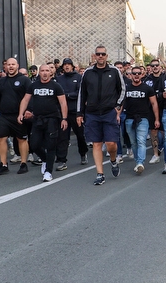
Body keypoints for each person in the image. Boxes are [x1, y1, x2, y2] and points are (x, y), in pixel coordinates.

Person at [76, 45, 126, 185]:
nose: (100, 56)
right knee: (96, 143)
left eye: (103, 54)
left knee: (111, 144)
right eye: (98, 54)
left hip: (109, 112)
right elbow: (82, 93)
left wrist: (117, 106)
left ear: (107, 56)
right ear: (94, 56)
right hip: (92, 113)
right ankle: (100, 173)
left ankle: (113, 161)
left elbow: (122, 90)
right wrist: (79, 113)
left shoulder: (114, 71)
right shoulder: (88, 72)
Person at [17, 64, 68, 182]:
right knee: (34, 144)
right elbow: (25, 99)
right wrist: (21, 113)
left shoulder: (56, 86)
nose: (45, 73)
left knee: (51, 146)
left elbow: (63, 103)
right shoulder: (33, 85)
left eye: (47, 71)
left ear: (51, 72)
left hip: (52, 119)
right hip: (37, 119)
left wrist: (64, 118)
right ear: (39, 72)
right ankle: (45, 159)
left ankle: (48, 172)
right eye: (42, 71)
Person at [0, 58, 32, 176]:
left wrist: (28, 110)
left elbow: (30, 97)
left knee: (21, 139)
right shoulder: (2, 81)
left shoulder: (24, 80)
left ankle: (23, 163)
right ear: (5, 67)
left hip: (19, 115)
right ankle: (3, 165)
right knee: (1, 139)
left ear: (17, 65)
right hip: (4, 115)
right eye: (8, 65)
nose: (11, 66)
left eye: (13, 64)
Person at [122, 65, 159, 174]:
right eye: (134, 73)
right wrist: (117, 116)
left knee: (141, 140)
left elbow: (154, 103)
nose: (136, 75)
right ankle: (137, 161)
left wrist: (156, 119)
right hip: (129, 119)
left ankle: (140, 163)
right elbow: (121, 103)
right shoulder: (126, 88)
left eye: (139, 73)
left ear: (142, 75)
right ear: (131, 75)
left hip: (143, 118)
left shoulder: (147, 88)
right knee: (133, 143)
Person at [54, 58, 89, 170]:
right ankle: (62, 160)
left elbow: (79, 93)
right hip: (63, 113)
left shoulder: (78, 77)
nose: (67, 66)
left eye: (69, 64)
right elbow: (56, 94)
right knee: (62, 137)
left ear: (72, 66)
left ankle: (83, 154)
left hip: (75, 112)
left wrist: (66, 96)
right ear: (62, 67)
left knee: (80, 136)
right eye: (65, 65)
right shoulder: (59, 79)